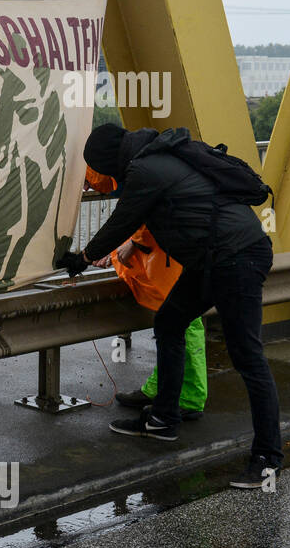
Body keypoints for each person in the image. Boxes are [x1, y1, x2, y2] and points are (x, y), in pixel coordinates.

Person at [56, 125, 280, 490]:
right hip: (209, 259)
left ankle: (268, 460)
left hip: (237, 258)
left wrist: (82, 258)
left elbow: (122, 221)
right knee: (170, 323)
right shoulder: (153, 159)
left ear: (109, 160)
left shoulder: (147, 169)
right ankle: (163, 419)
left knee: (248, 358)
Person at [84, 166, 207, 420]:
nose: (87, 189)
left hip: (171, 258)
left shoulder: (135, 174)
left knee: (183, 324)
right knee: (173, 326)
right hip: (171, 254)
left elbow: (150, 212)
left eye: (88, 182)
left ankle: (190, 397)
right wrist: (123, 249)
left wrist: (134, 243)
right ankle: (161, 389)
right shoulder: (137, 167)